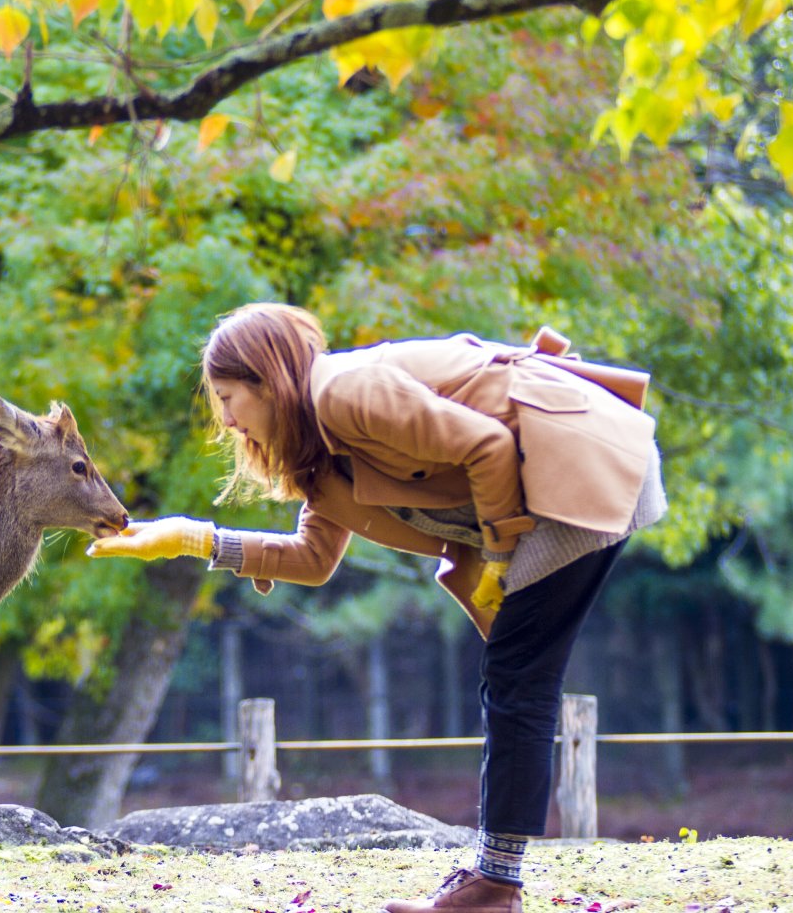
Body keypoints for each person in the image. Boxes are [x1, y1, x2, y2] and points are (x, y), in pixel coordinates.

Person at [88, 303, 665, 913]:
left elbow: (490, 446)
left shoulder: (345, 392)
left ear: (267, 378)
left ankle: (494, 887)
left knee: (519, 675)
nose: (228, 420)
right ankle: (493, 882)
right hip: (555, 480)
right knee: (517, 675)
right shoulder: (322, 452)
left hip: (580, 463)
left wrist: (497, 561)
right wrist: (187, 538)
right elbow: (312, 557)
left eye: (230, 397)